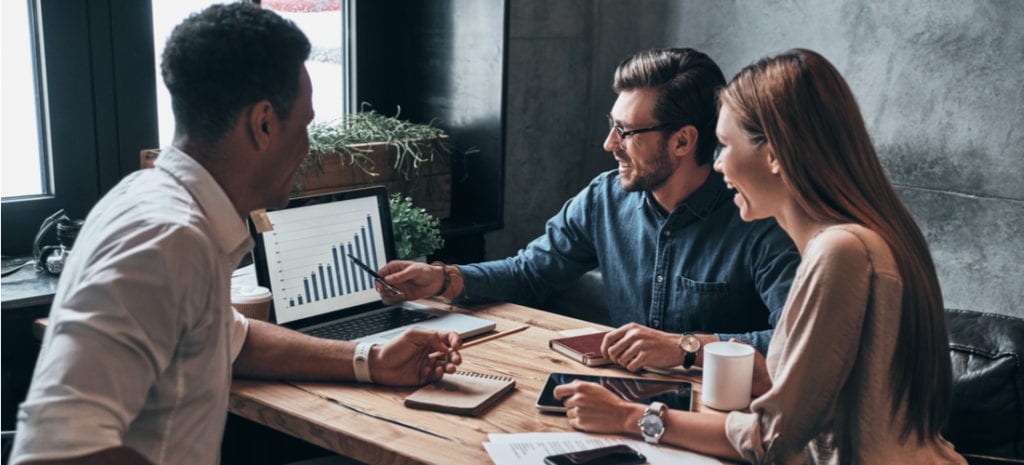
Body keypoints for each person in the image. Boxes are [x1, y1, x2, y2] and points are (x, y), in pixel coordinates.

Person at [10, 5, 461, 465]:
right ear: (263, 124)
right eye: (304, 125)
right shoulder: (165, 241)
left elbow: (234, 339)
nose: (308, 147)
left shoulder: (162, 205)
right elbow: (55, 451)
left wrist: (371, 359)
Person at [553, 49, 965, 465]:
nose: (717, 164)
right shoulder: (858, 241)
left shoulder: (841, 253)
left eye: (726, 145)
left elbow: (773, 440)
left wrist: (629, 416)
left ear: (773, 154)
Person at [378, 48, 799, 372]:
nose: (609, 144)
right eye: (611, 125)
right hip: (620, 403)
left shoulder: (758, 219)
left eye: (626, 131)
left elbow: (794, 345)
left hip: (723, 418)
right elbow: (530, 273)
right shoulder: (605, 198)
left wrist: (684, 347)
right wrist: (444, 278)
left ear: (683, 142)